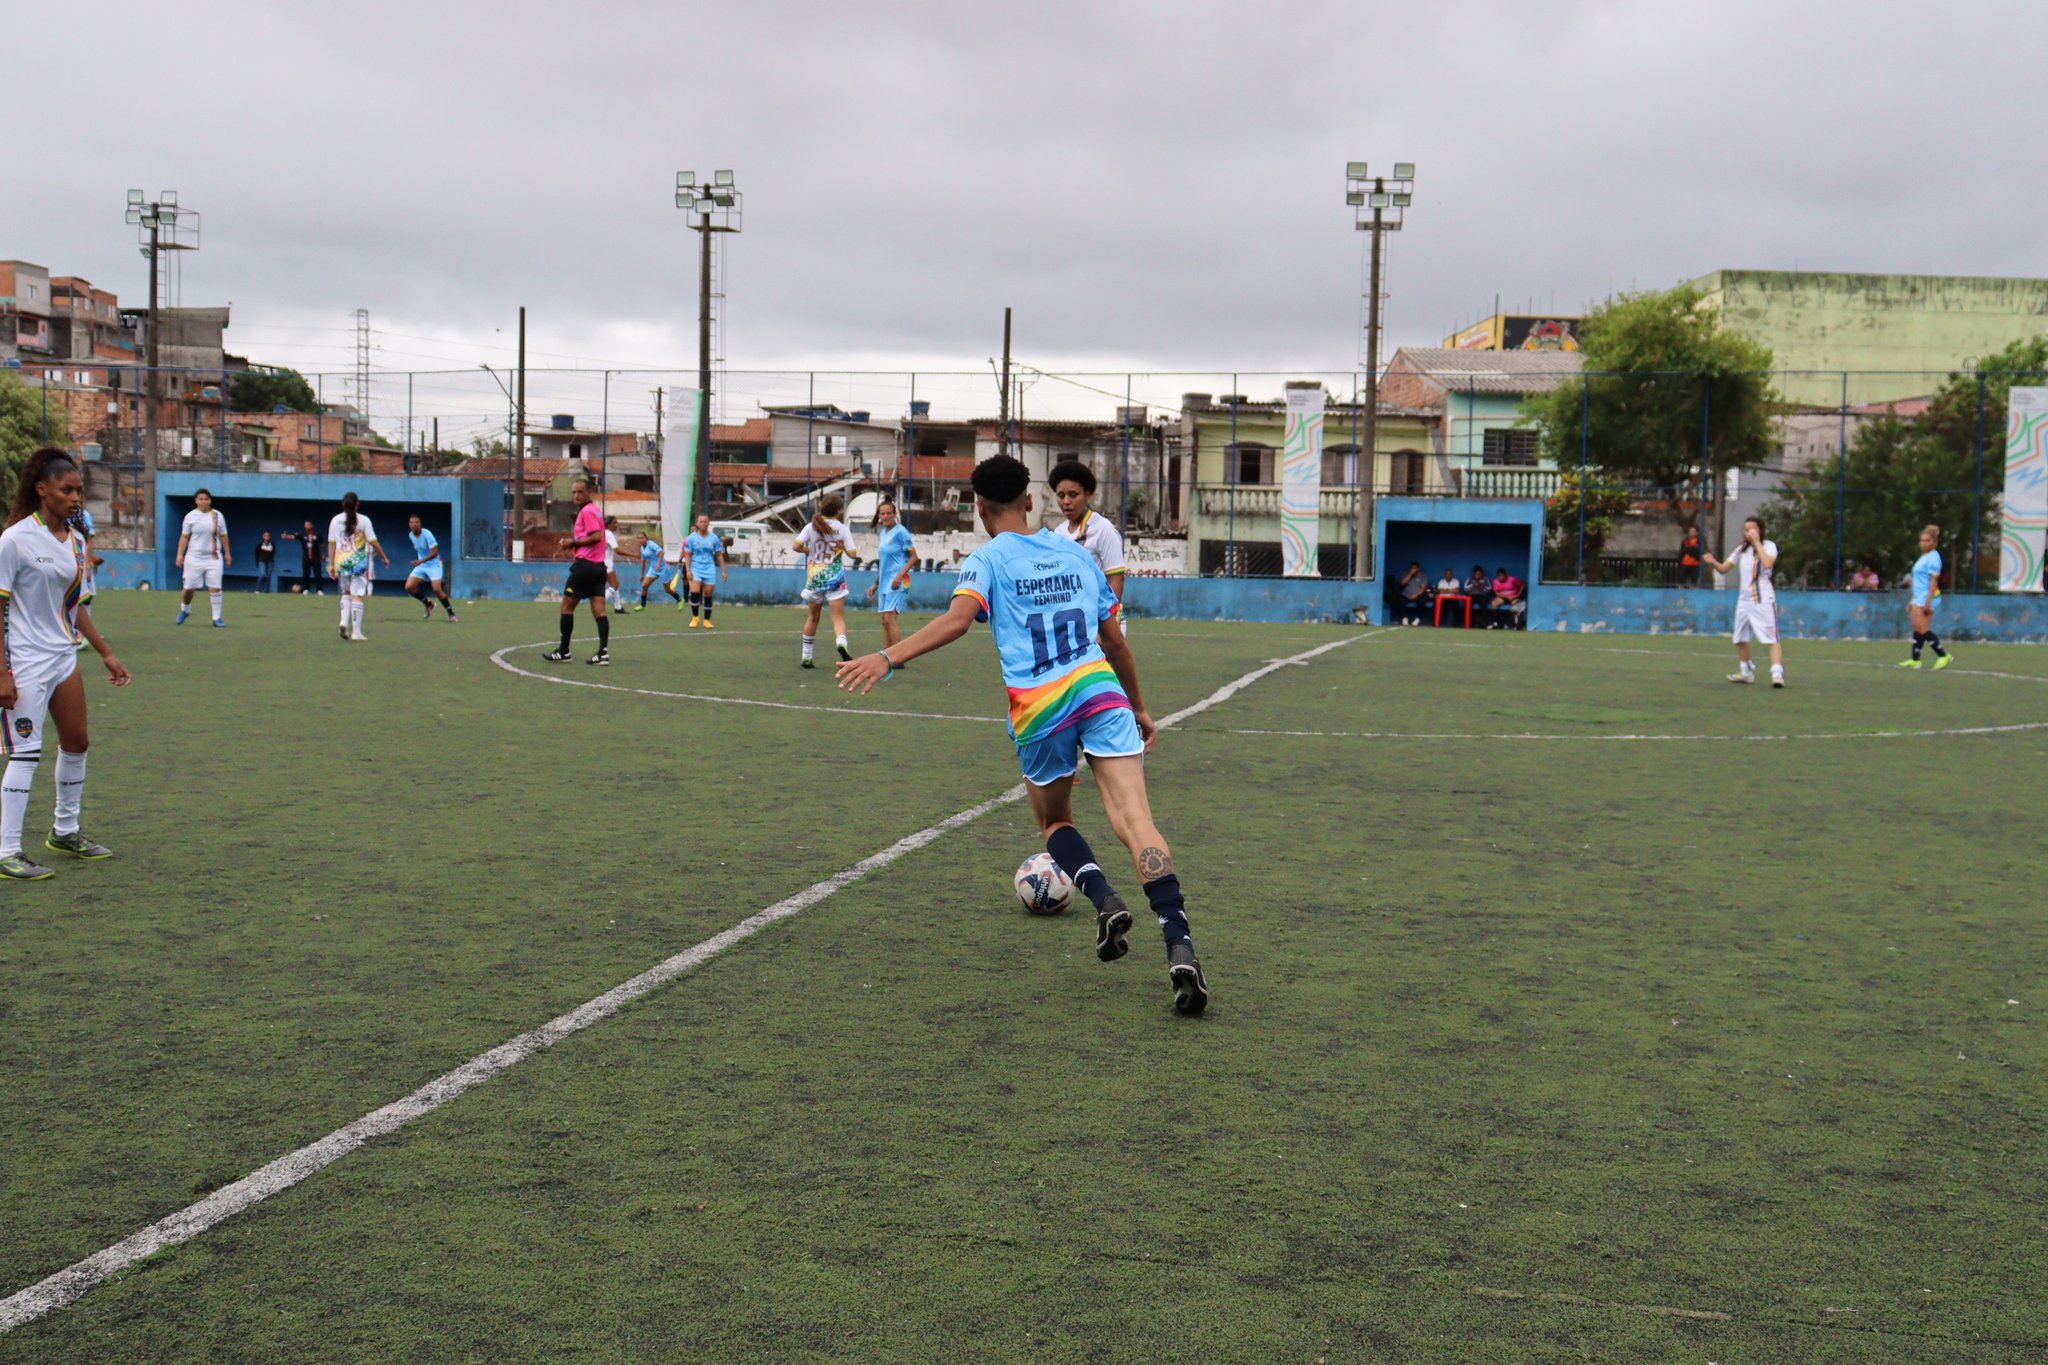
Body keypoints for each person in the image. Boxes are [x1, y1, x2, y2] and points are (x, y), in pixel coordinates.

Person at [836, 454, 1208, 1016]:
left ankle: (1104, 898)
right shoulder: (1077, 554)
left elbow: (959, 621)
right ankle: (1179, 941)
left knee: (1056, 821)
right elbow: (1115, 640)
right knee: (1138, 823)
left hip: (1039, 708)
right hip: (1100, 692)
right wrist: (1138, 706)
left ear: (981, 509)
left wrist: (887, 656)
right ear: (1031, 500)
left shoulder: (986, 559)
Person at [0, 448, 131, 880]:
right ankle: (7, 850)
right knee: (25, 753)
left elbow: (74, 606)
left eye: (78, 490)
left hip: (62, 656)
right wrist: (2, 671)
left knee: (77, 742)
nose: (76, 497)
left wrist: (106, 652)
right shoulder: (15, 539)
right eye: (66, 489)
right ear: (42, 490)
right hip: (25, 660)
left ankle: (65, 830)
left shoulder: (75, 541)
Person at [1701, 516, 1784, 687]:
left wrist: (1757, 543)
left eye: (1752, 529)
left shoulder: (1769, 546)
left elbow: (1768, 563)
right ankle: (1746, 672)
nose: (1748, 532)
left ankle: (1777, 674)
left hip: (1762, 599)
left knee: (1771, 637)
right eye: (1746, 530)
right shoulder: (1741, 550)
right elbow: (1724, 569)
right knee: (1740, 637)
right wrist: (1713, 562)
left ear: (1760, 530)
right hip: (1744, 600)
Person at [1048, 459, 1128, 621]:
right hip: (1073, 618)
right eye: (1061, 495)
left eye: (1073, 495)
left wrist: (1107, 621)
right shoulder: (1059, 532)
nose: (1066, 502)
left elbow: (1116, 578)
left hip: (1101, 618)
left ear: (1088, 494)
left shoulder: (1103, 529)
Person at [544, 478, 611, 665]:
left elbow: (596, 537)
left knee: (566, 607)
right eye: (573, 492)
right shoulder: (596, 511)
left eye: (580, 492)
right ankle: (603, 653)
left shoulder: (587, 511)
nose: (576, 495)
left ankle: (564, 651)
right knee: (600, 611)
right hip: (599, 568)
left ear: (589, 492)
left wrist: (572, 542)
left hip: (585, 568)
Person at [795, 493, 856, 668]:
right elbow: (853, 554)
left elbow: (795, 546)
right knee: (838, 617)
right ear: (839, 510)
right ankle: (841, 643)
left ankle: (806, 657)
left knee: (813, 617)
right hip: (835, 577)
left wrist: (810, 549)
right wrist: (841, 547)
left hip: (815, 577)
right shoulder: (842, 529)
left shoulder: (810, 527)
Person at [328, 492, 390, 642]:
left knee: (346, 592)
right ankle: (356, 632)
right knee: (358, 595)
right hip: (359, 562)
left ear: (343, 504)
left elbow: (332, 543)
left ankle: (344, 621)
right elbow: (373, 541)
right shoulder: (364, 520)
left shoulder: (335, 520)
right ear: (357, 504)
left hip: (341, 560)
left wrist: (331, 564)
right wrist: (384, 557)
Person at [174, 488, 230, 627]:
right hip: (194, 557)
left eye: (206, 499)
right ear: (196, 501)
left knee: (215, 587)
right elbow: (184, 537)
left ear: (210, 500)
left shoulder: (218, 516)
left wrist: (228, 553)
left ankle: (216, 618)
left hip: (214, 557)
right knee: (188, 588)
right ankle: (185, 610)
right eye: (200, 499)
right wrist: (179, 554)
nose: (203, 501)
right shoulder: (190, 516)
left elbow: (224, 536)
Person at [866, 498, 915, 652]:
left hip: (899, 581)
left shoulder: (901, 532)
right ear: (879, 516)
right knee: (884, 620)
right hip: (885, 582)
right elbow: (885, 563)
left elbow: (914, 557)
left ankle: (898, 656)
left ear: (894, 515)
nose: (885, 516)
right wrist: (876, 583)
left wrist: (899, 576)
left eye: (888, 513)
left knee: (890, 618)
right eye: (882, 514)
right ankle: (886, 653)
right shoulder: (883, 533)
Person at [1900, 524, 1952, 670]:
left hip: (1927, 597)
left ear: (1935, 542)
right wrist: (1913, 600)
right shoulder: (1924, 557)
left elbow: (1933, 582)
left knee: (1922, 629)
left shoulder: (1934, 558)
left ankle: (1943, 655)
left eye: (1928, 540)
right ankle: (1915, 660)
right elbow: (1919, 582)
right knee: (1917, 628)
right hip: (1919, 597)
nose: (1924, 543)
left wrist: (1928, 602)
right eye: (1922, 540)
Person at [403, 515, 458, 621]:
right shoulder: (410, 535)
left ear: (420, 524)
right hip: (422, 565)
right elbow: (419, 549)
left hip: (434, 565)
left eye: (416, 522)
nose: (414, 524)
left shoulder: (427, 534)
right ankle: (428, 604)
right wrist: (421, 562)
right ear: (409, 524)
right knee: (409, 587)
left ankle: (451, 613)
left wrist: (421, 561)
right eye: (411, 522)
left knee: (437, 589)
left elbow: (435, 552)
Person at [682, 513, 728, 629]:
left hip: (709, 568)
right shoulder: (692, 538)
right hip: (695, 567)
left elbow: (719, 556)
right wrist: (688, 570)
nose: (702, 523)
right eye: (700, 521)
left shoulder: (714, 538)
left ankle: (707, 620)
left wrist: (724, 571)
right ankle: (695, 618)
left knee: (708, 594)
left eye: (705, 521)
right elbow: (687, 555)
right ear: (697, 523)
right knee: (695, 591)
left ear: (708, 523)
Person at [635, 532, 676, 610]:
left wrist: (658, 564)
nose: (640, 539)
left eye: (642, 537)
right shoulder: (642, 548)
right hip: (653, 569)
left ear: (646, 538)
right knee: (644, 586)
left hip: (663, 568)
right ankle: (642, 605)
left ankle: (680, 599)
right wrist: (642, 574)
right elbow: (643, 561)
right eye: (639, 538)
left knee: (667, 590)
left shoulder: (651, 544)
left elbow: (662, 552)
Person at [284, 519, 324, 594]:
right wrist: (286, 536)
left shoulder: (318, 534)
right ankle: (306, 589)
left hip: (316, 557)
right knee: (306, 573)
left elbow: (322, 545)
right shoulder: (302, 534)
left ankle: (319, 590)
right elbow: (293, 537)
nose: (306, 526)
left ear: (312, 525)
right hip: (306, 557)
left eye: (308, 524)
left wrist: (322, 555)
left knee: (318, 573)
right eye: (305, 525)